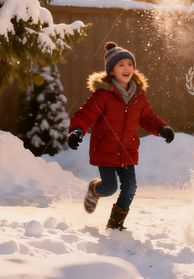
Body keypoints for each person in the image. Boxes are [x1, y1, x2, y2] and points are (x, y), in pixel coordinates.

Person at [68, 42, 175, 231]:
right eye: (121, 65)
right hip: (105, 150)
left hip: (128, 150)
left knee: (130, 189)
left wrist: (162, 128)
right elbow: (86, 114)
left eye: (129, 64)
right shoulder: (103, 95)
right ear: (111, 71)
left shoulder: (139, 96)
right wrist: (77, 130)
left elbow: (148, 118)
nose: (127, 68)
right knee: (109, 188)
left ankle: (115, 226)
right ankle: (94, 189)